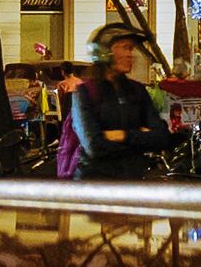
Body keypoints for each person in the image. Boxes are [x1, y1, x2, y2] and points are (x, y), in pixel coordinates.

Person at [69, 31, 167, 180]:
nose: (130, 55)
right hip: (96, 183)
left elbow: (161, 137)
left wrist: (122, 135)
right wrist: (140, 137)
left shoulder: (137, 91)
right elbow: (94, 146)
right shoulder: (85, 92)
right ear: (104, 51)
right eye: (125, 48)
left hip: (132, 182)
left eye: (131, 49)